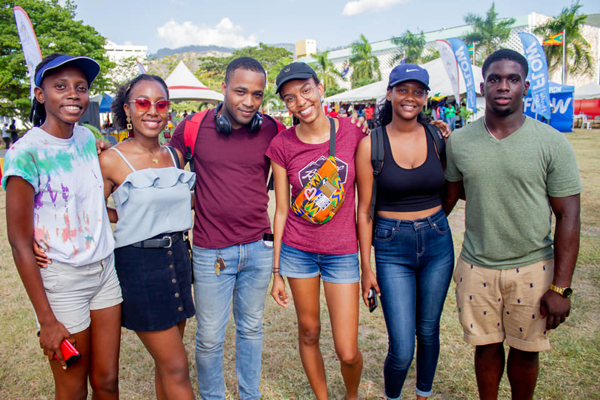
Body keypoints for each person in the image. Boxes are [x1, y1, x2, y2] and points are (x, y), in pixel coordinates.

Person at [444, 49, 582, 400]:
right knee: (485, 348)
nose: (503, 86)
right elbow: (450, 197)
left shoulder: (551, 142)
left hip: (533, 268)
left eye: (512, 79)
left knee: (526, 350)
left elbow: (568, 215)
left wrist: (561, 287)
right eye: (494, 79)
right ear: (482, 86)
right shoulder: (459, 142)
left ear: (526, 86)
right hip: (477, 266)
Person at [3, 53, 122, 399]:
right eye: (60, 86)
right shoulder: (25, 154)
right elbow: (20, 243)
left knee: (108, 382)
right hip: (63, 281)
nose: (73, 94)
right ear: (40, 95)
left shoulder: (87, 138)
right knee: (72, 388)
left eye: (80, 88)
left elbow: (90, 203)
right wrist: (47, 321)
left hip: (104, 274)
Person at [169, 57, 281, 400]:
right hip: (210, 251)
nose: (248, 102)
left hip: (259, 250)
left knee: (250, 329)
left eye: (257, 95)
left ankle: (251, 395)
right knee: (209, 337)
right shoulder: (191, 127)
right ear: (224, 88)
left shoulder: (272, 129)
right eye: (241, 92)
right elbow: (158, 165)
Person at [355, 63, 454, 400]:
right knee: (401, 347)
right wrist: (366, 268)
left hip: (437, 242)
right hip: (391, 246)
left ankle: (423, 394)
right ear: (389, 94)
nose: (410, 97)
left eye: (417, 91)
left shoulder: (437, 136)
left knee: (428, 332)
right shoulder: (372, 145)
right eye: (402, 90)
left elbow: (449, 185)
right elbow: (364, 211)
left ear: (426, 98)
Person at [268, 62, 365, 400]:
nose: (300, 102)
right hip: (298, 250)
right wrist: (277, 271)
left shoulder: (353, 134)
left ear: (320, 88)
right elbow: (281, 210)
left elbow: (365, 205)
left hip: (342, 253)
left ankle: (351, 396)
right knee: (309, 332)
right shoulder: (282, 144)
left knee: (348, 350)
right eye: (290, 98)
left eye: (306, 91)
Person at [100, 74, 196, 399]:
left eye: (161, 103)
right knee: (178, 366)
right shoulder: (112, 159)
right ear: (127, 110)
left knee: (166, 365)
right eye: (142, 103)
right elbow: (92, 212)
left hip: (180, 259)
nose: (152, 110)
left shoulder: (174, 156)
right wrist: (123, 216)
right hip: (140, 266)